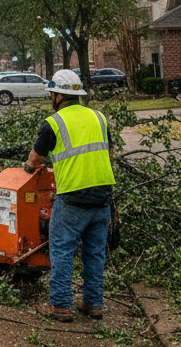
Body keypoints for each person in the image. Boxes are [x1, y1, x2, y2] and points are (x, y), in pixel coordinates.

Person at [24, 68, 116, 322]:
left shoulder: (53, 123)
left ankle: (61, 306)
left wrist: (28, 168)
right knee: (95, 253)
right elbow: (109, 154)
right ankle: (93, 304)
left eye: (52, 94)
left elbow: (35, 159)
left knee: (62, 250)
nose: (51, 99)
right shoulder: (99, 118)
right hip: (103, 195)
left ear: (59, 96)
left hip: (73, 196)